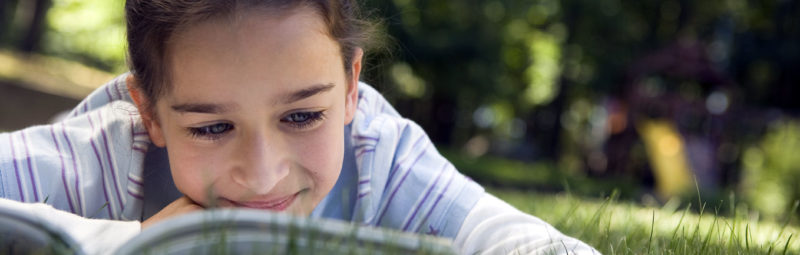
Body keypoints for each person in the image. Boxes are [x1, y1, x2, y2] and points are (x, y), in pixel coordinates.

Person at [0, 0, 598, 254]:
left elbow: (532, 243)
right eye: (211, 127)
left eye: (302, 116)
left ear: (349, 90)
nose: (262, 175)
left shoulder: (381, 157)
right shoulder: (105, 153)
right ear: (151, 113)